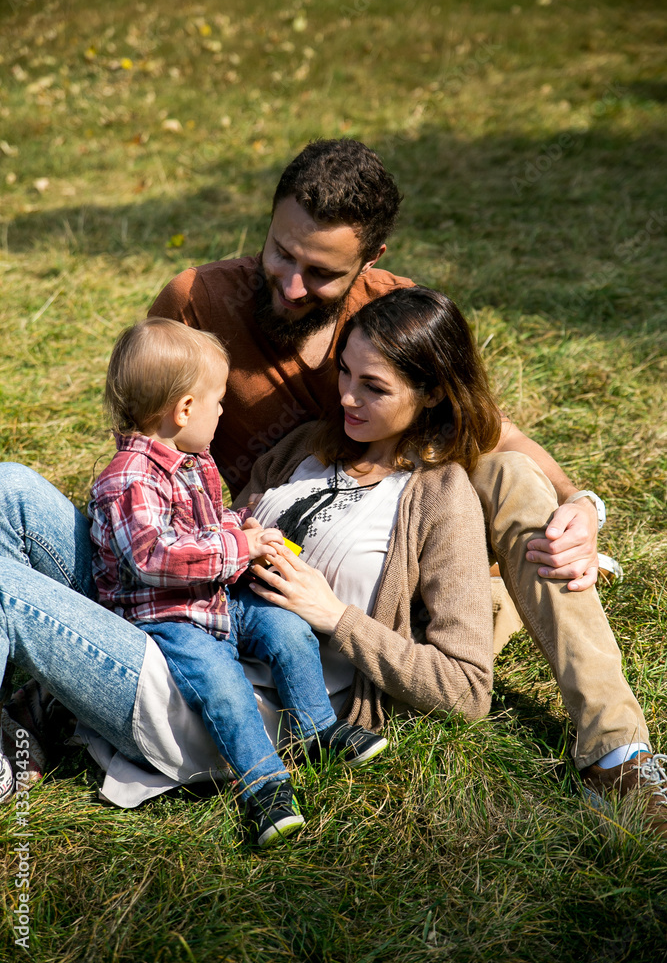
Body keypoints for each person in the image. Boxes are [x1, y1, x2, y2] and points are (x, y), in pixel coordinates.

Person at [1, 139, 665, 833]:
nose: (290, 284)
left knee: (512, 476)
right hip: (205, 559)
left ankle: (614, 750)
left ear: (368, 263)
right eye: (280, 253)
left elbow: (495, 432)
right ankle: (44, 696)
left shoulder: (391, 322)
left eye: (319, 272)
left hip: (276, 601)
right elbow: (142, 460)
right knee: (10, 488)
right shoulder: (198, 303)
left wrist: (580, 506)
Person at [0, 290, 496, 822]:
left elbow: (467, 686)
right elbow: (202, 531)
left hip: (231, 690)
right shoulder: (309, 445)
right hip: (176, 610)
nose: (348, 398)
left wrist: (335, 616)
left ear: (432, 395)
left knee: (5, 588)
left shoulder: (442, 497)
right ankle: (28, 709)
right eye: (346, 373)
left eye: (373, 387)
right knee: (10, 485)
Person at [87, 317, 388, 846]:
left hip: (217, 597)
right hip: (168, 618)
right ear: (183, 409)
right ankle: (263, 785)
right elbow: (155, 559)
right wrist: (237, 549)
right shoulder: (128, 478)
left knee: (287, 628)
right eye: (218, 401)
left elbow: (210, 520)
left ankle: (315, 726)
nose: (223, 411)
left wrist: (242, 528)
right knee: (223, 686)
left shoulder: (194, 459)